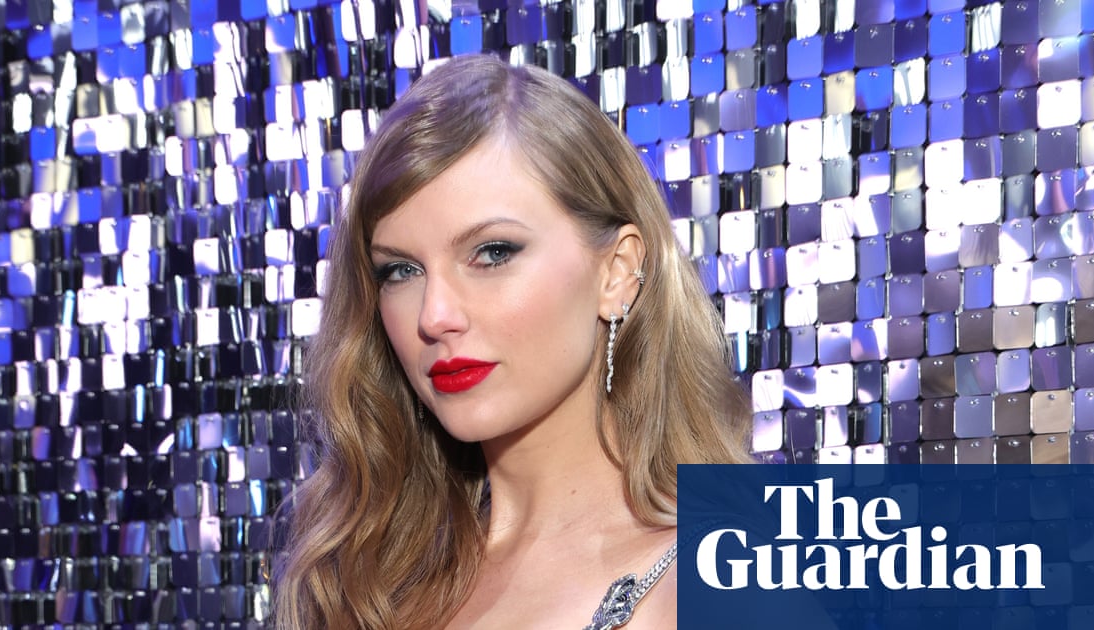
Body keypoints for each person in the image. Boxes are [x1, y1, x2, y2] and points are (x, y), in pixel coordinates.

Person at [270, 53, 754, 629]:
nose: (435, 315)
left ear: (616, 273)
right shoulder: (363, 580)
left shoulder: (730, 580)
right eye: (400, 270)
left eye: (493, 253)